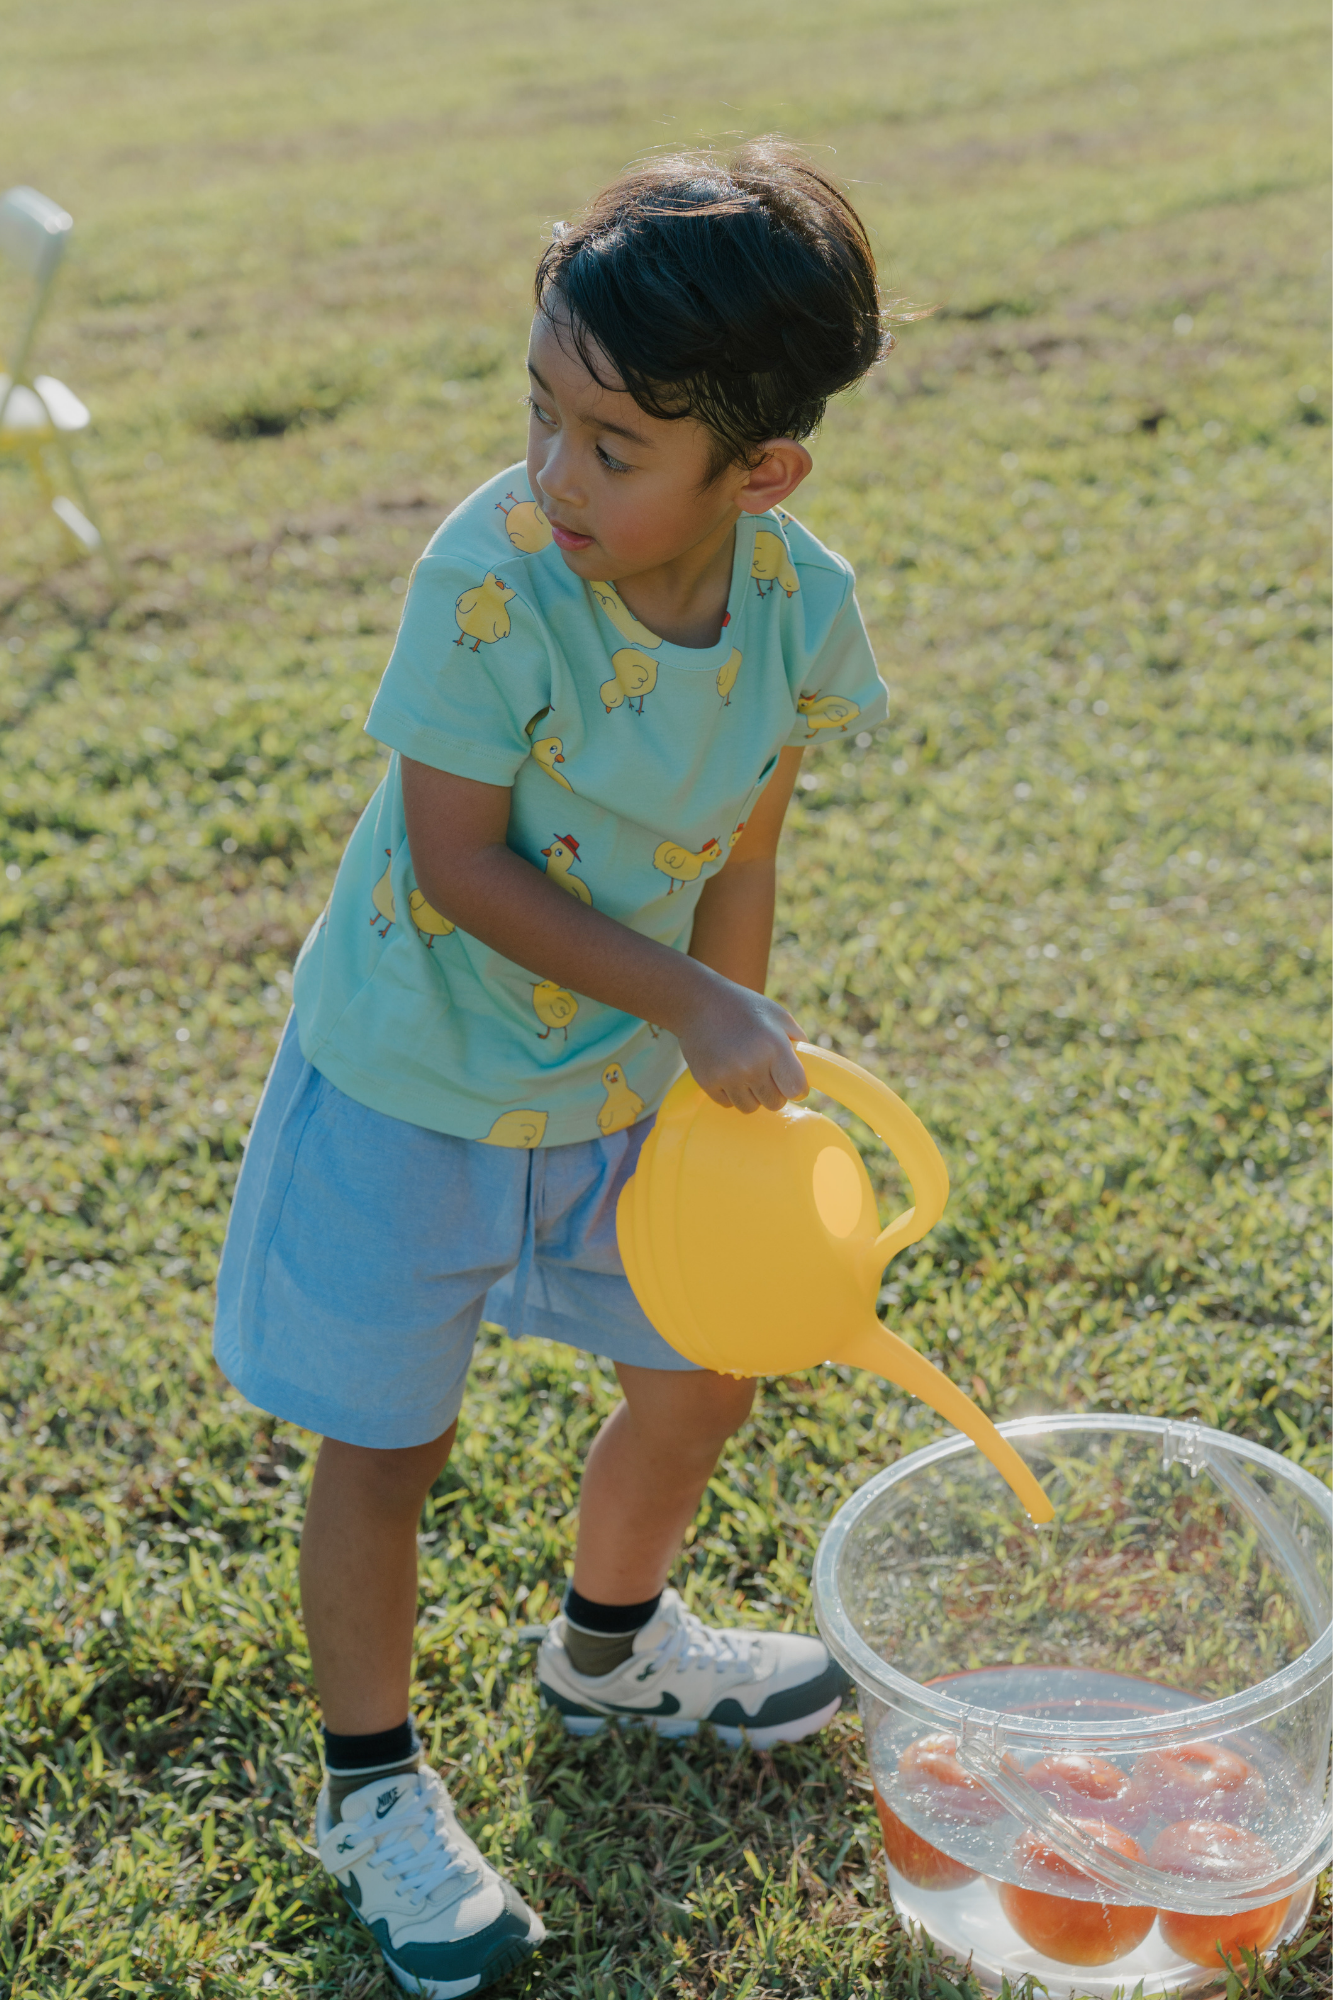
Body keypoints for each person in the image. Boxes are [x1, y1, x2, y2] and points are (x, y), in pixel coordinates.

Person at [213, 139, 892, 1998]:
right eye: (543, 410)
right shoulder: (493, 574)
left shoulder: (794, 609)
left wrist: (716, 1072)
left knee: (700, 1370)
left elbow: (742, 848)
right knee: (391, 1437)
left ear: (760, 473)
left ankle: (613, 1646)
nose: (554, 471)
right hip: (415, 1070)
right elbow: (459, 861)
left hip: (620, 1084)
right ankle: (372, 1792)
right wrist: (691, 1011)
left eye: (614, 447)